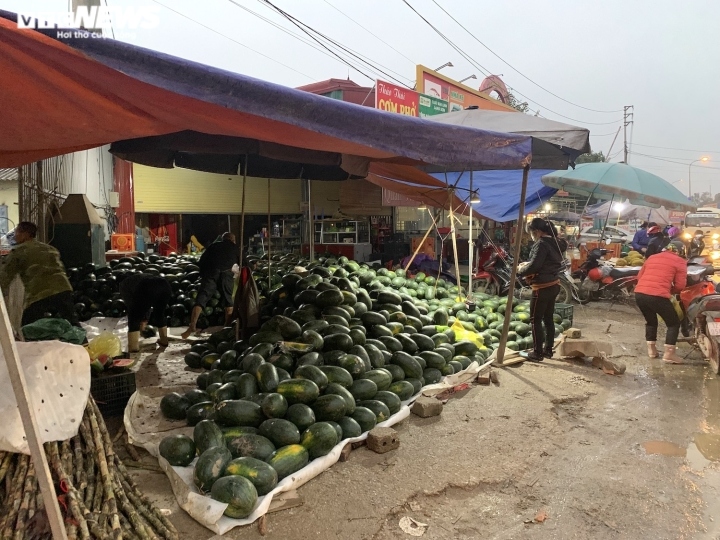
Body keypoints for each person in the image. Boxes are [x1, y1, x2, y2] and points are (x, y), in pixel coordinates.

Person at [0, 222, 76, 326]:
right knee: (72, 322)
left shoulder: (18, 251)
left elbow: (5, 276)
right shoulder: (50, 249)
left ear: (25, 234)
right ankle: (82, 341)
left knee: (29, 326)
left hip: (39, 293)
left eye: (17, 232)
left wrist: (2, 293)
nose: (15, 235)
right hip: (63, 288)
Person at [517, 218, 568, 362]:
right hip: (554, 284)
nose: (532, 235)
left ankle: (537, 353)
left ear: (538, 232)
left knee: (535, 320)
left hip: (542, 287)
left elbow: (535, 266)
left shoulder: (542, 244)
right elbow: (545, 262)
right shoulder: (557, 242)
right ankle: (548, 350)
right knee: (548, 319)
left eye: (532, 232)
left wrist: (520, 270)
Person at [635, 244, 687, 363]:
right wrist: (669, 291)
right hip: (658, 295)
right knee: (673, 323)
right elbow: (680, 285)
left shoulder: (652, 257)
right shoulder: (680, 261)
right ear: (680, 252)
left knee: (651, 321)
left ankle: (652, 351)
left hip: (640, 294)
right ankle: (669, 354)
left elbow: (639, 277)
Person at [182, 232, 239, 338]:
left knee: (201, 298)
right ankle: (226, 327)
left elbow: (202, 261)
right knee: (228, 300)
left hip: (211, 273)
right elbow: (244, 262)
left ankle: (192, 325)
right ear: (232, 240)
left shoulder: (214, 246)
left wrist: (203, 274)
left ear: (223, 239)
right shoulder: (235, 247)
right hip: (226, 274)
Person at [119, 273, 173, 353]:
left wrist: (142, 320)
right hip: (165, 285)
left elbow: (133, 306)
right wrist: (145, 319)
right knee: (159, 314)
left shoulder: (123, 285)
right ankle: (164, 341)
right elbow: (146, 303)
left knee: (133, 318)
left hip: (147, 287)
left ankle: (133, 348)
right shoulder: (139, 276)